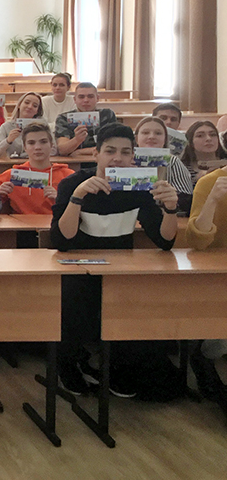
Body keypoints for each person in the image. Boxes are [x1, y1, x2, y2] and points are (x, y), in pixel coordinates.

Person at [51, 123, 179, 398]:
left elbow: (164, 241)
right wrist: (78, 198)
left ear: (133, 156)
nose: (117, 158)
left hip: (121, 271)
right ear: (96, 153)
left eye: (125, 152)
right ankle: (68, 364)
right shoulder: (72, 184)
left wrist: (170, 209)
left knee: (133, 304)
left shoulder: (138, 185)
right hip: (78, 268)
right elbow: (62, 241)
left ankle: (119, 368)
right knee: (73, 301)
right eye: (110, 151)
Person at [182, 167, 227, 406]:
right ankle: (204, 354)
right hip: (216, 279)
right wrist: (213, 200)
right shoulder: (211, 182)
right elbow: (197, 242)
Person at [0, 122, 75, 214]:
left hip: (56, 222)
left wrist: (60, 199)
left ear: (51, 145)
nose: (37, 147)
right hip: (22, 222)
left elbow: (80, 209)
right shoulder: (10, 176)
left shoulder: (68, 176)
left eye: (43, 142)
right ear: (25, 147)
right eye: (31, 143)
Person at [134, 116, 193, 214]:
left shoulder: (172, 161)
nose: (151, 136)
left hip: (166, 216)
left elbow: (187, 201)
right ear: (136, 138)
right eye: (145, 132)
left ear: (165, 139)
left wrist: (171, 199)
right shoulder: (123, 161)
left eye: (158, 133)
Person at [54, 82, 118, 157]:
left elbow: (114, 145)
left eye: (90, 96)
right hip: (75, 162)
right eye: (81, 97)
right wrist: (77, 140)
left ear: (97, 98)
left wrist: (81, 152)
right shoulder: (64, 118)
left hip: (103, 160)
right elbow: (62, 150)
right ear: (75, 99)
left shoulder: (107, 115)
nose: (86, 100)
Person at [0, 92, 51, 158]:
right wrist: (8, 141)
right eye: (27, 103)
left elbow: (53, 150)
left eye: (35, 106)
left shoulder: (43, 127)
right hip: (14, 163)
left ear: (37, 111)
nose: (30, 107)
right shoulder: (6, 126)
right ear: (19, 105)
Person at [181, 120, 227, 185]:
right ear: (190, 142)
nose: (208, 138)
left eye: (213, 135)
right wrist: (198, 181)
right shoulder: (182, 169)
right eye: (200, 136)